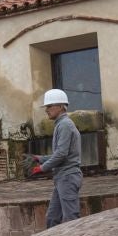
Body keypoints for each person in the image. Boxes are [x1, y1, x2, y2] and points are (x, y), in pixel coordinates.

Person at [32, 88, 83, 228]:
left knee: (71, 217)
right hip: (62, 177)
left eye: (49, 106)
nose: (46, 110)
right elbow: (60, 153)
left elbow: (61, 154)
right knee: (52, 218)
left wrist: (42, 168)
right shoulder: (61, 124)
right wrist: (39, 158)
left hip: (68, 177)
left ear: (60, 107)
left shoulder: (65, 125)